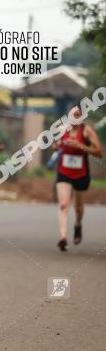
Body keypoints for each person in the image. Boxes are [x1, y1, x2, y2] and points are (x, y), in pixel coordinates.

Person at [53, 107, 102, 251]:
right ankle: (63, 237)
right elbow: (54, 146)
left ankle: (78, 225)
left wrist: (80, 145)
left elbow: (99, 152)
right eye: (72, 115)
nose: (75, 117)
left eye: (78, 115)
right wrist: (56, 146)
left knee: (78, 208)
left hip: (81, 173)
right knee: (63, 203)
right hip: (64, 171)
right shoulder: (62, 129)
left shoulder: (87, 131)